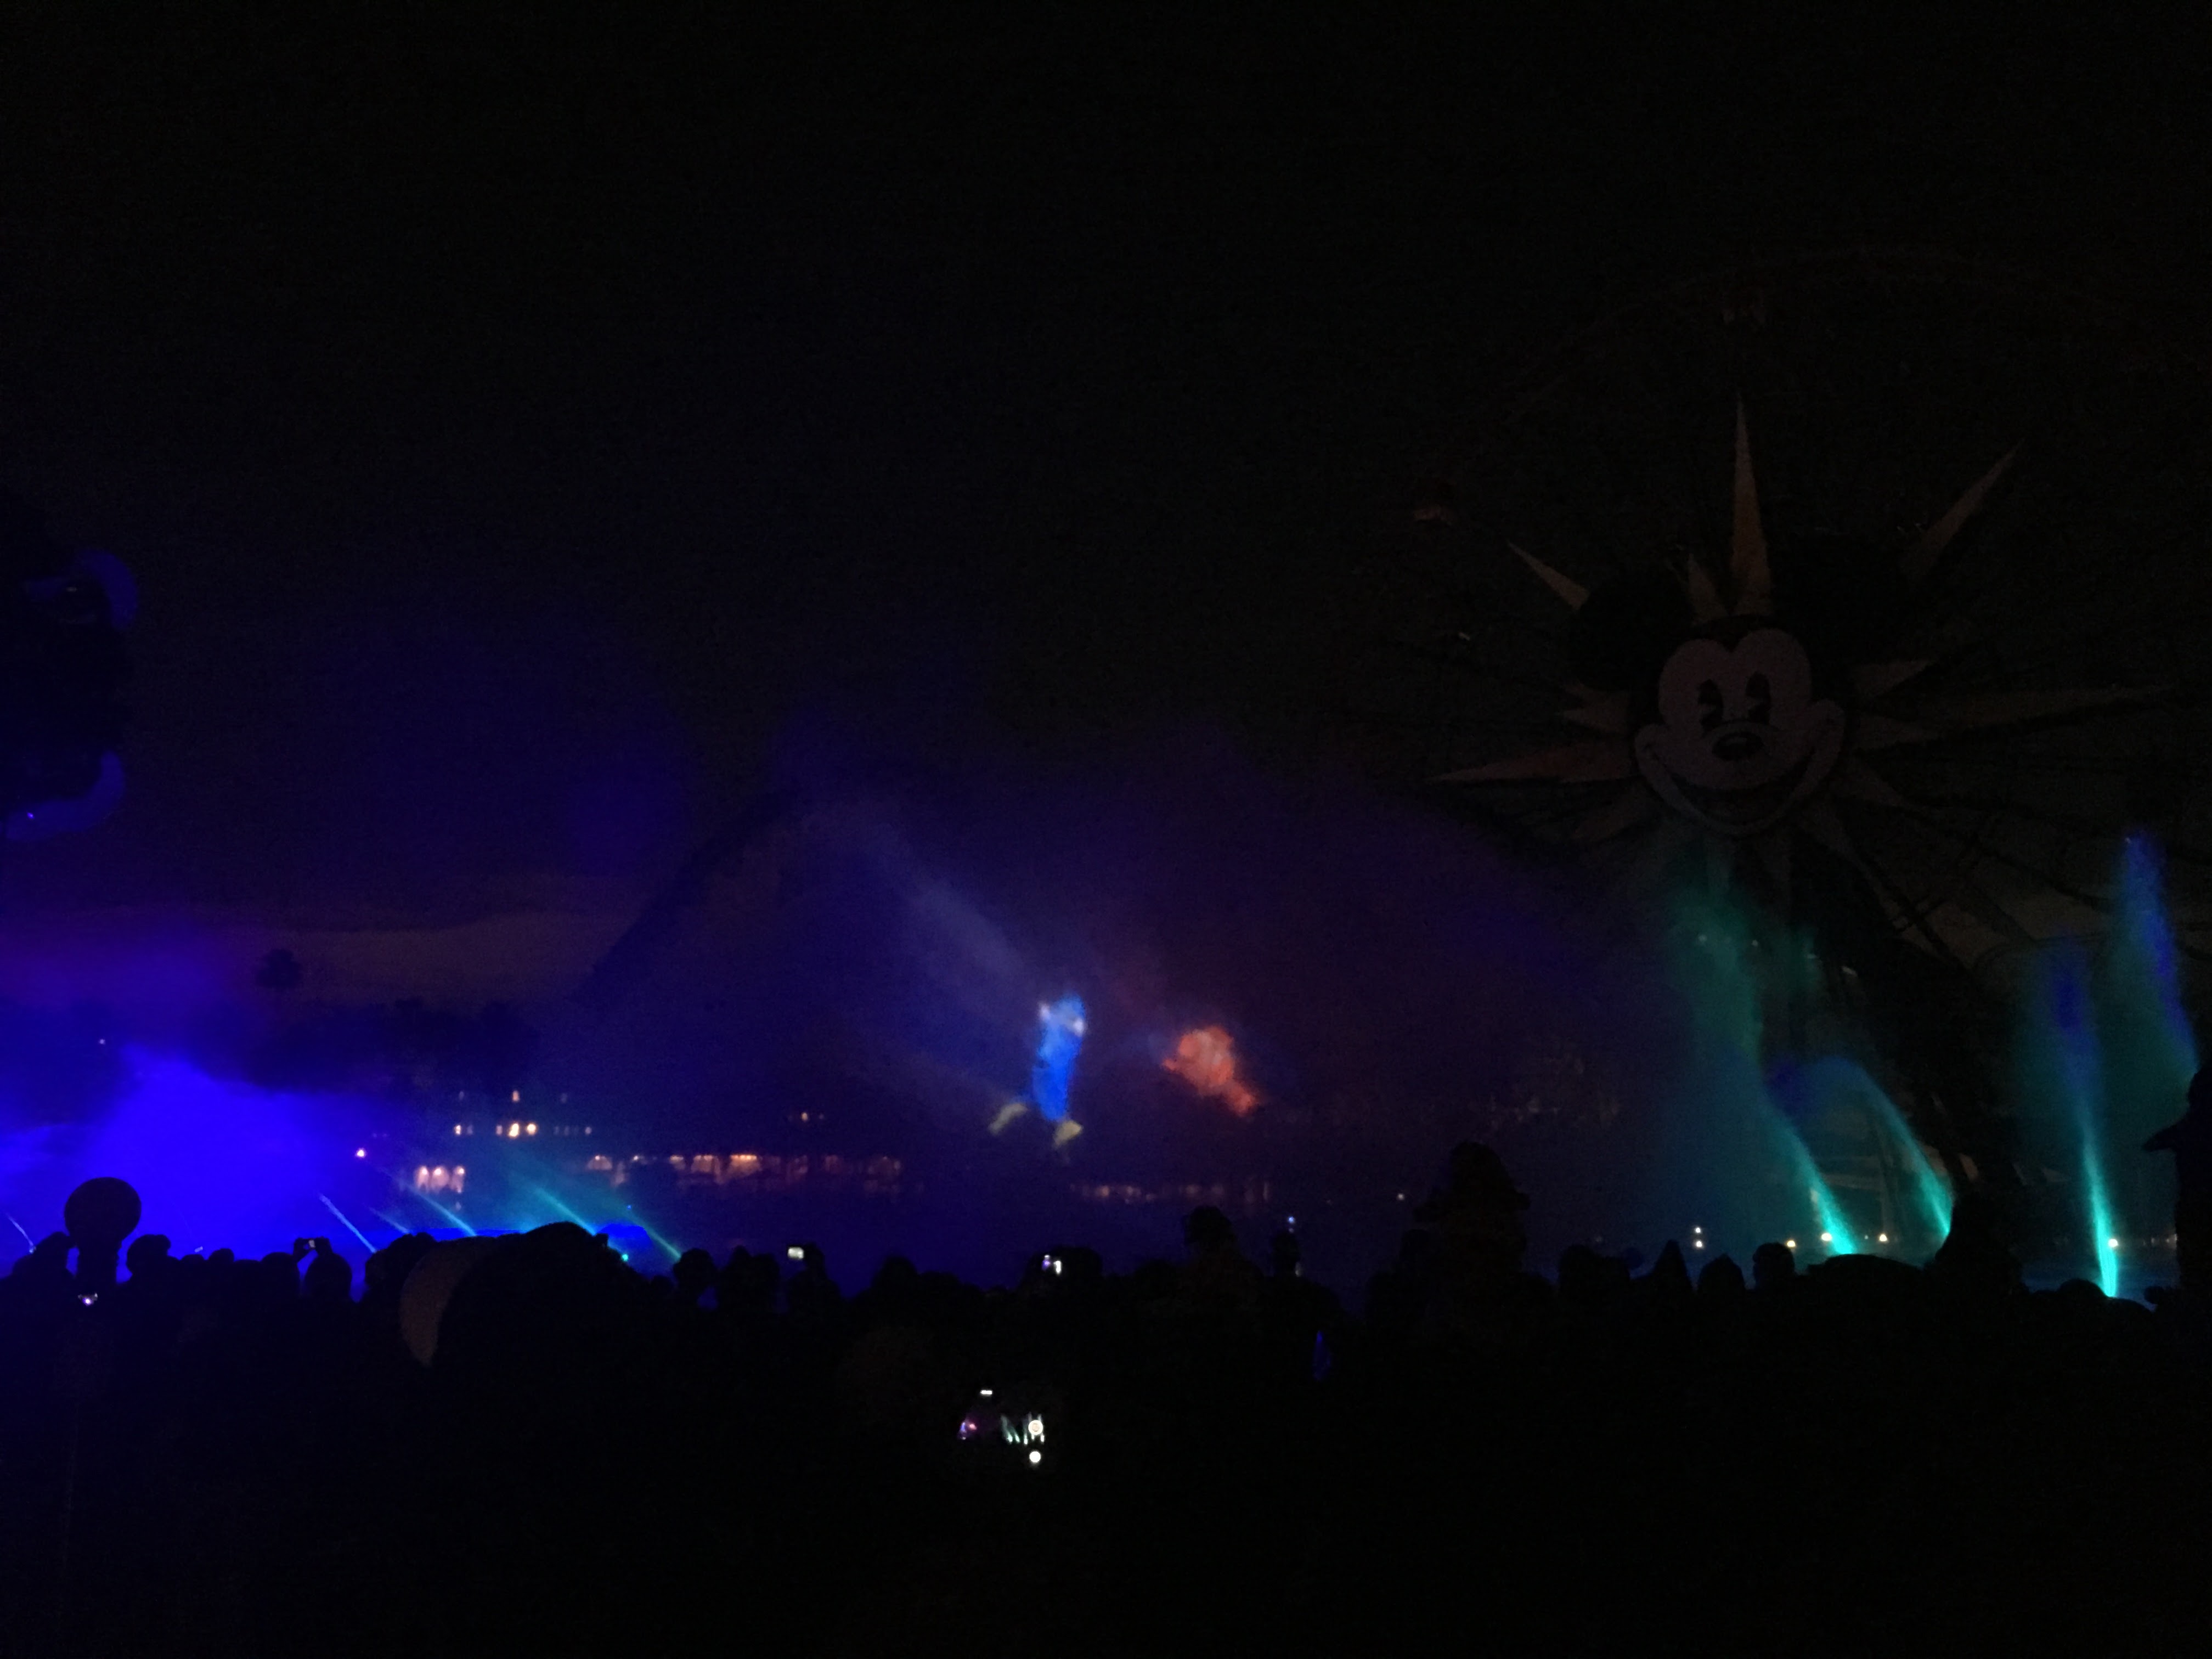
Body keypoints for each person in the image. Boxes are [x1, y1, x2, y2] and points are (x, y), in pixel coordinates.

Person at [2144, 1068, 2212, 1295]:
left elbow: (2151, 1144)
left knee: (2194, 1260)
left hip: (2193, 1203)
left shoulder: (2187, 1126)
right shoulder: (2191, 1126)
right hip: (2194, 1204)